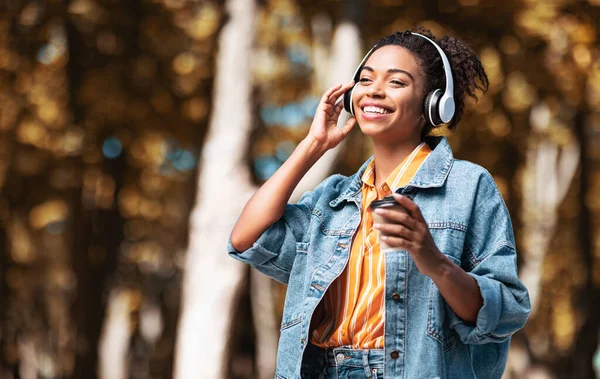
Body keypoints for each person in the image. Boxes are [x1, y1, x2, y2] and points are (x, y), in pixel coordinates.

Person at [228, 26, 531, 379]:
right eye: (366, 79)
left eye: (396, 82)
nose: (374, 90)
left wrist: (432, 259)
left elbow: (506, 309)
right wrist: (314, 144)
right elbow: (247, 238)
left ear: (432, 105)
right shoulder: (333, 198)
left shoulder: (468, 186)